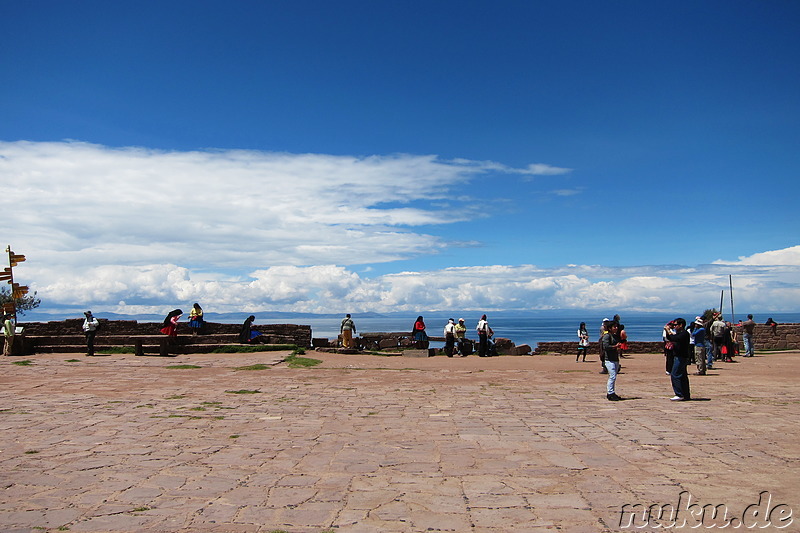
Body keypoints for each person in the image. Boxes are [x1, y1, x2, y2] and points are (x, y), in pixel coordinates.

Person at [664, 317, 691, 401]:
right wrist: (667, 332)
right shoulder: (679, 333)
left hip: (681, 357)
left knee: (675, 374)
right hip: (678, 356)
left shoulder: (684, 334)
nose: (674, 326)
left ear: (681, 325)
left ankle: (679, 393)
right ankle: (685, 394)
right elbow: (671, 338)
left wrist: (669, 330)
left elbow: (675, 338)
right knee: (682, 376)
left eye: (676, 325)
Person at [602, 322, 622, 400]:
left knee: (614, 376)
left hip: (615, 358)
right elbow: (606, 346)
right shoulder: (607, 336)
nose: (616, 328)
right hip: (609, 359)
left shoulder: (615, 336)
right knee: (612, 376)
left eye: (616, 327)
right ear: (610, 328)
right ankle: (610, 393)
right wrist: (615, 346)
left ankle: (612, 392)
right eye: (614, 327)